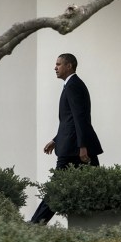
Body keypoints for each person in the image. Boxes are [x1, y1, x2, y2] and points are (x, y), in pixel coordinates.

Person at [29, 52, 103, 224]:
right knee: (97, 185)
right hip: (72, 145)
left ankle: (36, 223)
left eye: (58, 64)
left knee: (59, 188)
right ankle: (37, 223)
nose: (55, 68)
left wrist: (82, 146)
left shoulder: (73, 86)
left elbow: (80, 118)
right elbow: (69, 120)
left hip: (74, 149)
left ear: (69, 66)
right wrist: (56, 140)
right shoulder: (71, 85)